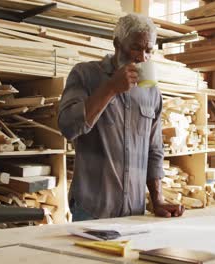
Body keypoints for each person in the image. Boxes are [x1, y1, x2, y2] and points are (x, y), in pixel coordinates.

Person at [58, 14, 185, 221]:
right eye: (136, 47)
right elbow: (68, 127)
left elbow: (154, 150)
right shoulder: (85, 74)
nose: (143, 57)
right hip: (92, 209)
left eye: (149, 50)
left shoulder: (152, 92)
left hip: (134, 212)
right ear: (117, 43)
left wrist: (158, 200)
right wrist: (110, 88)